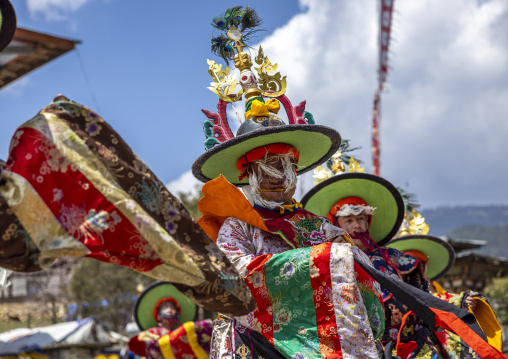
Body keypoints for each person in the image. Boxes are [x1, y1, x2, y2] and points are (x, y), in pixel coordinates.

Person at [192, 6, 385, 358]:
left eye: (286, 164)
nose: (280, 174)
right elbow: (233, 276)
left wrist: (345, 260)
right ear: (248, 173)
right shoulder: (236, 226)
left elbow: (357, 266)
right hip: (255, 342)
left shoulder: (316, 226)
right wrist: (320, 262)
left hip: (324, 337)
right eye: (268, 164)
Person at [302, 171, 504, 358]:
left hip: (405, 342)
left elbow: (424, 295)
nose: (356, 225)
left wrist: (458, 301)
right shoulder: (327, 264)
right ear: (336, 226)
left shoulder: (394, 259)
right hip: (351, 346)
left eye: (361, 219)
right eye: (348, 220)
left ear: (368, 222)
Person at [387, 234, 504, 356]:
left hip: (430, 342)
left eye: (419, 263)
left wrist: (465, 301)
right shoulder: (388, 291)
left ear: (425, 266)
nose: (412, 267)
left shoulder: (435, 291)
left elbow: (444, 302)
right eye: (405, 263)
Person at [128, 281, 212, 359]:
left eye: (172, 308)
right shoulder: (153, 333)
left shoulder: (188, 332)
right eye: (165, 308)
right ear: (158, 317)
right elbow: (138, 345)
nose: (169, 310)